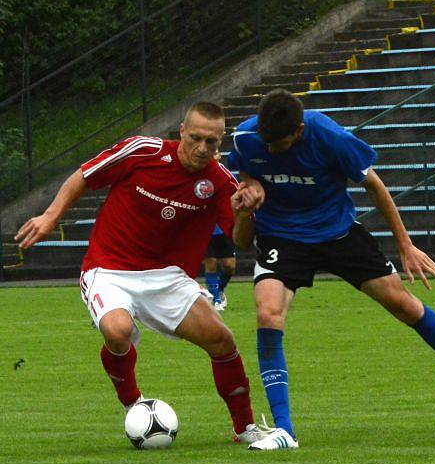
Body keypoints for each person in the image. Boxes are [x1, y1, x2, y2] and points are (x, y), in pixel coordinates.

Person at [228, 89, 435, 451]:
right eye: (267, 141)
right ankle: (285, 430)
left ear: (300, 132)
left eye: (279, 143)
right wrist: (248, 193)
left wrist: (405, 245)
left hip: (337, 233)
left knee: (405, 305)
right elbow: (245, 184)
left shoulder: (331, 138)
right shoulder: (247, 138)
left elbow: (375, 185)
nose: (271, 149)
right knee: (267, 313)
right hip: (283, 237)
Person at [15, 102, 270, 444]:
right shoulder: (142, 151)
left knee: (221, 339)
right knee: (117, 331)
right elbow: (84, 175)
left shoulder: (221, 182)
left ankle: (246, 428)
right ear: (181, 131)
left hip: (167, 277)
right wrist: (50, 217)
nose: (202, 148)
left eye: (212, 142)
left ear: (221, 141)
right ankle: (133, 404)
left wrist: (242, 215)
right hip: (108, 268)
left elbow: (242, 241)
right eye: (195, 138)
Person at [204, 222, 237, 311]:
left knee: (230, 266)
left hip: (224, 229)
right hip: (205, 229)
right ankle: (216, 300)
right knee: (211, 264)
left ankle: (220, 289)